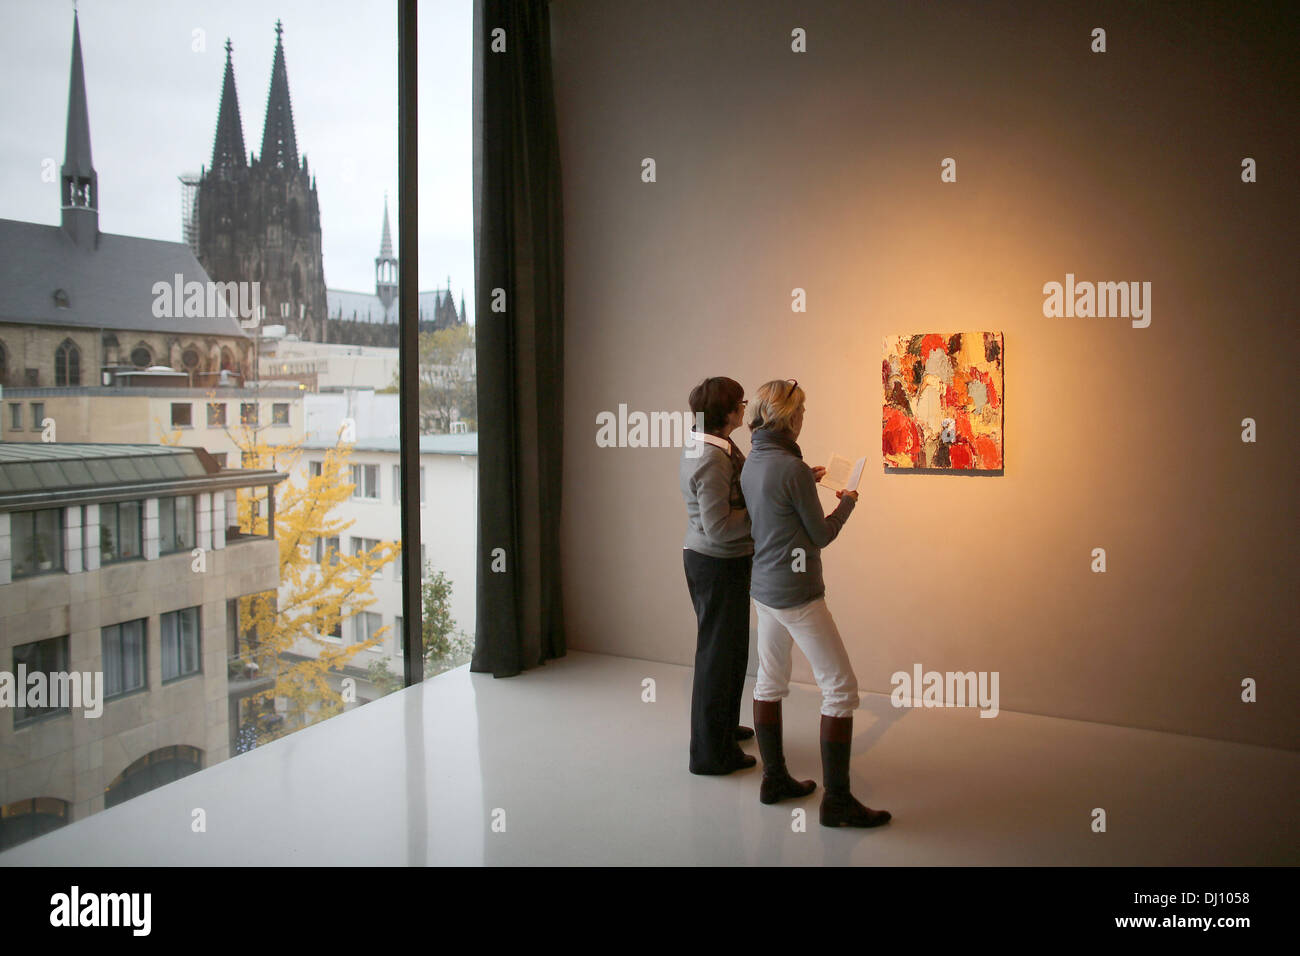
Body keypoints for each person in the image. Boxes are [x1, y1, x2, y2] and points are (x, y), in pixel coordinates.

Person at [740, 379, 891, 827]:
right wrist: (847, 504)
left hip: (763, 589)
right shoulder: (790, 468)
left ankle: (775, 779)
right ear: (790, 417)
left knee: (769, 681)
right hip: (798, 593)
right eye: (801, 413)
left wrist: (809, 480)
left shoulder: (754, 463)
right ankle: (838, 802)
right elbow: (820, 536)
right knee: (841, 689)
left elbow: (776, 506)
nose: (804, 420)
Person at [680, 376, 757, 774]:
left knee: (728, 654)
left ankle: (722, 728)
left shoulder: (710, 443)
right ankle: (711, 754)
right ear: (727, 412)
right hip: (716, 562)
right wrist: (765, 514)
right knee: (718, 657)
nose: (746, 408)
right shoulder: (711, 457)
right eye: (741, 403)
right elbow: (719, 526)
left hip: (717, 561)